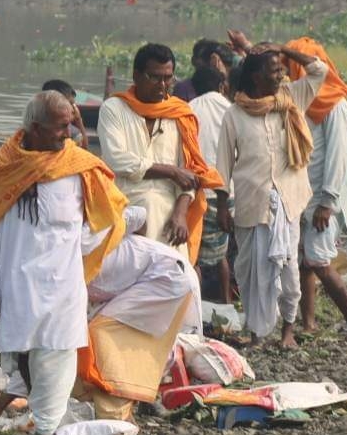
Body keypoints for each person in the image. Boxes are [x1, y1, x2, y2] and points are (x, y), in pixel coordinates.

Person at [0, 91, 127, 435]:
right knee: (24, 359)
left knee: (57, 364)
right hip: (16, 287)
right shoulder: (3, 168)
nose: (68, 135)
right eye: (61, 127)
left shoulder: (80, 167)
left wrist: (76, 251)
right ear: (35, 129)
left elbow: (106, 219)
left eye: (70, 125)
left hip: (62, 288)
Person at [214, 35, 333, 348]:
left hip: (288, 201)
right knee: (252, 272)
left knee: (288, 267)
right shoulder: (234, 115)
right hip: (252, 203)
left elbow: (320, 70)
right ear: (255, 77)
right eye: (275, 71)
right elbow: (223, 165)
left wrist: (283, 50)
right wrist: (222, 207)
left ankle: (288, 332)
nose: (282, 75)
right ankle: (256, 334)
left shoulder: (291, 99)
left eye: (282, 70)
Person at [74, 207, 201, 420]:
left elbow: (140, 213)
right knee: (122, 339)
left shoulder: (89, 233)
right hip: (156, 278)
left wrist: (133, 243)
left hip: (167, 275)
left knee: (102, 336)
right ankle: (136, 400)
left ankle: (115, 413)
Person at [98, 42, 221, 258]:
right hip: (126, 201)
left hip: (171, 209)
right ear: (136, 76)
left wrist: (181, 213)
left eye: (168, 78)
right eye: (154, 77)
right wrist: (171, 171)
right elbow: (116, 159)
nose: (162, 85)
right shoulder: (114, 108)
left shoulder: (180, 113)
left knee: (179, 274)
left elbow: (191, 171)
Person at [276, 35, 347, 332]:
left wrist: (327, 202)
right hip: (304, 192)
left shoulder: (334, 106)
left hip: (322, 199)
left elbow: (339, 158)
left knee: (320, 263)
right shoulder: (306, 101)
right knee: (306, 263)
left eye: (290, 64)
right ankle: (309, 323)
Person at [190, 62, 236, 304]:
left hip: (200, 191)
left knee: (194, 256)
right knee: (222, 255)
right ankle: (227, 301)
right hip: (231, 191)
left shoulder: (188, 110)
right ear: (221, 86)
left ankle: (195, 309)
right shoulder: (232, 109)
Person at [39, 79, 90, 146]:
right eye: (70, 104)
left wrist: (78, 120)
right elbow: (84, 147)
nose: (72, 109)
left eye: (73, 105)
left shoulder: (72, 130)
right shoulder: (38, 128)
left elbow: (84, 148)